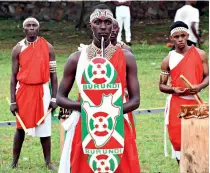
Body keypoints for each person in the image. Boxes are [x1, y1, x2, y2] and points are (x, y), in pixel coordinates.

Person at [57, 4, 140, 173]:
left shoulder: (127, 57)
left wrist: (111, 111)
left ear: (113, 25)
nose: (103, 26)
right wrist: (88, 110)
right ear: (90, 25)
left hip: (117, 123)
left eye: (107, 22)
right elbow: (60, 97)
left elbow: (135, 100)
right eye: (98, 22)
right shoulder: (76, 59)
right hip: (85, 124)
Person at [10, 17, 58, 169]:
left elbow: (54, 75)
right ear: (24, 29)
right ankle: (14, 162)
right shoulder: (18, 48)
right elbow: (13, 76)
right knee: (20, 127)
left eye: (34, 25)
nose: (31, 28)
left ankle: (48, 162)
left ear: (38, 28)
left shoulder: (48, 47)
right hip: (23, 91)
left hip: (43, 90)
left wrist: (54, 97)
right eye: (28, 26)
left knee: (45, 128)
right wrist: (12, 101)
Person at [159, 21, 209, 163]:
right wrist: (173, 89)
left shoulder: (200, 54)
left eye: (182, 35)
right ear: (171, 39)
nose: (180, 39)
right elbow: (162, 86)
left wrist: (199, 86)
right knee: (179, 141)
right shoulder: (167, 60)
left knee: (198, 141)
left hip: (195, 102)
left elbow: (208, 76)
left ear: (187, 35)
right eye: (176, 36)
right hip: (176, 104)